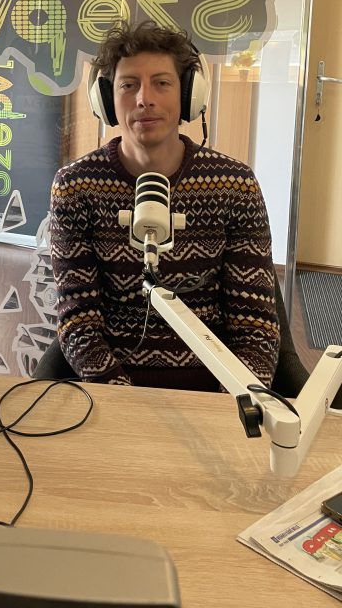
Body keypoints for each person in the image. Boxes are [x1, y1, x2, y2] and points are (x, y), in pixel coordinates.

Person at [49, 20, 279, 390]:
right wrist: (122, 401)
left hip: (215, 388)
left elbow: (255, 329)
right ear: (106, 100)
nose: (144, 99)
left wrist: (233, 402)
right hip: (111, 390)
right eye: (128, 85)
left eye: (162, 83)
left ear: (189, 94)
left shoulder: (235, 185)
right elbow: (79, 322)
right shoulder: (76, 187)